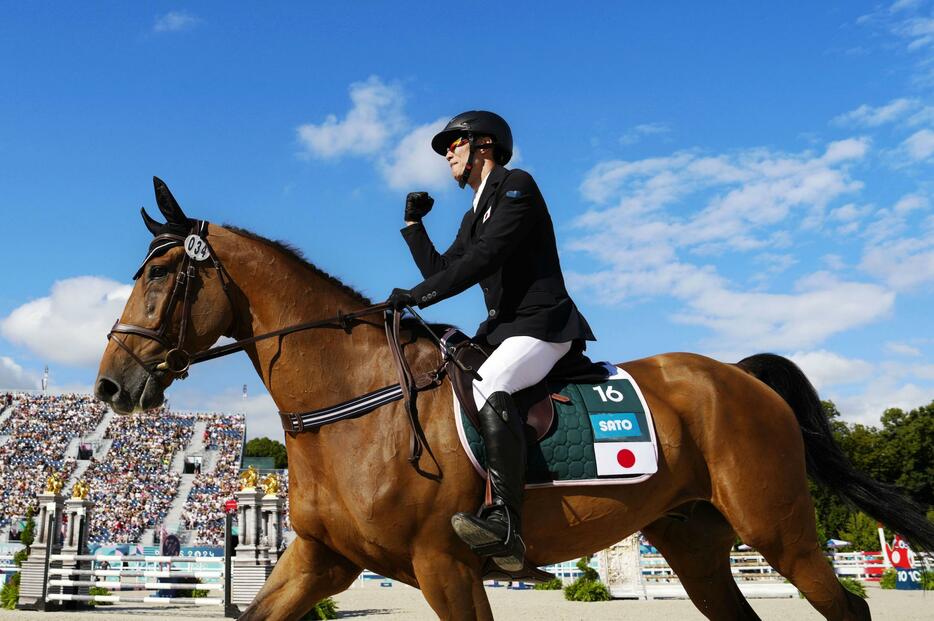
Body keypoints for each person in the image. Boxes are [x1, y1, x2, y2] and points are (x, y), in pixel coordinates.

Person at [387, 111, 595, 572]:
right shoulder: (473, 213)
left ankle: (507, 523)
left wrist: (416, 297)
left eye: (453, 145)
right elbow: (444, 271)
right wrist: (412, 227)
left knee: (489, 382)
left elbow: (486, 257)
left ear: (483, 144)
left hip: (543, 325)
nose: (447, 154)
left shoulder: (517, 185)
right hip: (505, 329)